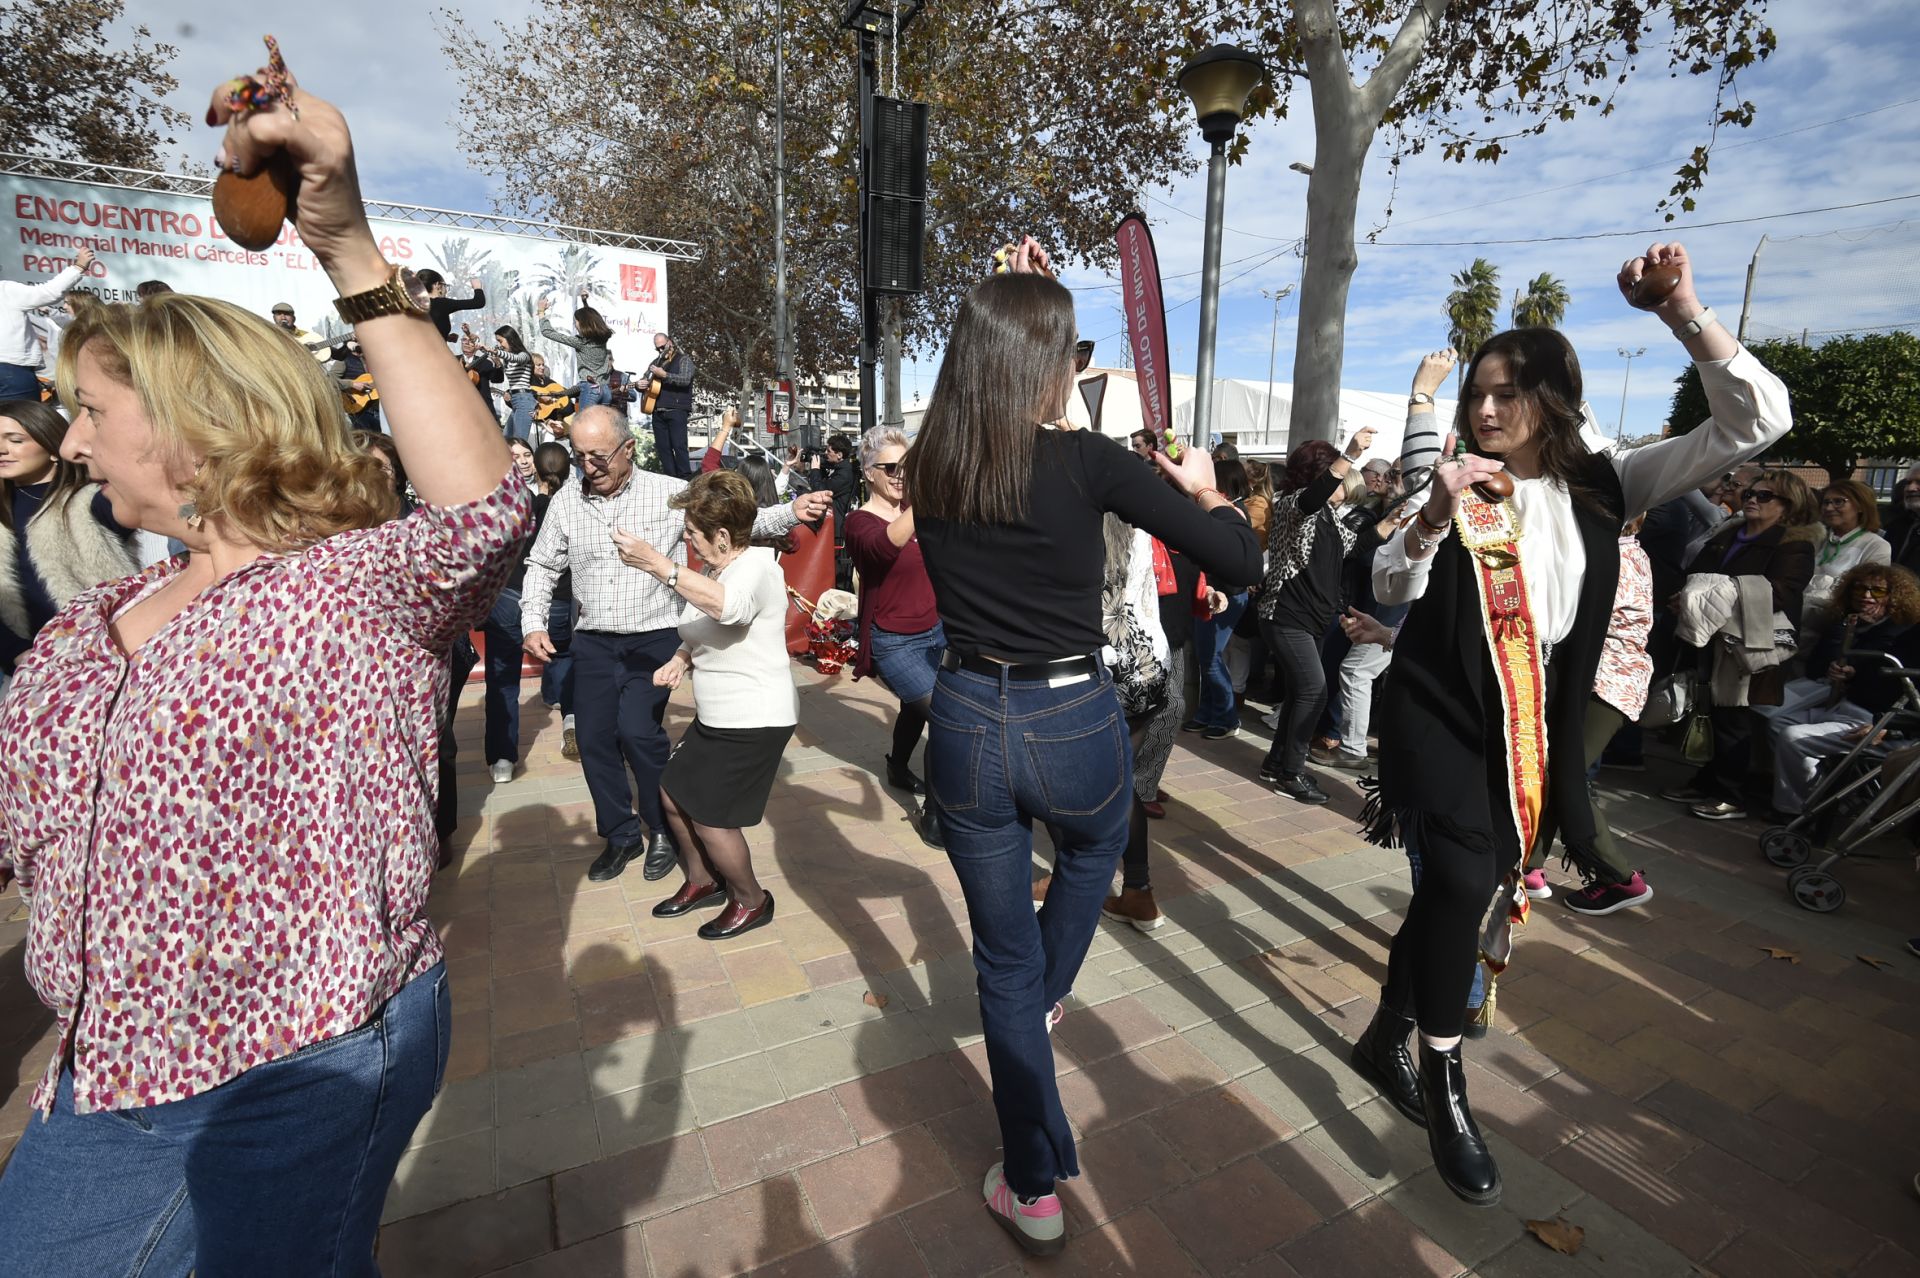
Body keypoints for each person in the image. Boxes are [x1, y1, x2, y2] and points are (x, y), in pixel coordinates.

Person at [0, 82, 531, 1271]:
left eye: (89, 411)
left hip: (290, 1061)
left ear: (199, 423)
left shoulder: (344, 591)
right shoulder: (92, 617)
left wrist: (340, 238)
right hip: (97, 1075)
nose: (69, 441)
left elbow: (485, 511)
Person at [1354, 243, 1790, 1210]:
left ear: (1555, 397)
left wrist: (1682, 307)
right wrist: (1429, 519)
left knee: (1449, 902)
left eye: (1508, 393)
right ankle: (1444, 1077)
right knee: (1463, 883)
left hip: (1533, 728)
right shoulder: (1460, 484)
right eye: (1477, 392)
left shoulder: (1608, 486)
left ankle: (1387, 1027)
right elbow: (1385, 589)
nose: (1486, 410)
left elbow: (1760, 418)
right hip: (1438, 719)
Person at [904, 240, 1259, 1256]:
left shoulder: (932, 460)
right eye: (1071, 350)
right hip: (1074, 718)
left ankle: (1033, 1181)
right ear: (1054, 366)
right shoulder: (1089, 462)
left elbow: (1004, 416)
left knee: (1001, 969)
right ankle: (1046, 1006)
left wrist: (1015, 301)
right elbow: (1240, 558)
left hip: (966, 712)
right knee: (1095, 855)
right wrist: (1206, 488)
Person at [519, 406, 828, 883]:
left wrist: (791, 511)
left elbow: (736, 520)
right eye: (580, 456)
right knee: (596, 740)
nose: (589, 467)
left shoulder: (665, 491)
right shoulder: (566, 503)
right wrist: (533, 622)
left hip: (654, 637)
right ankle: (620, 835)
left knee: (639, 734)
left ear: (628, 450)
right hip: (594, 641)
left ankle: (663, 828)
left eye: (599, 456)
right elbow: (541, 566)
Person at [604, 470, 798, 938]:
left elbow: (730, 610)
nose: (686, 541)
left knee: (711, 817)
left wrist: (657, 564)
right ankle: (703, 880)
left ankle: (752, 901)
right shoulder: (716, 569)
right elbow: (708, 627)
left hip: (753, 716)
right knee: (671, 793)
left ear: (723, 535)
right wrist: (681, 657)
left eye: (691, 533)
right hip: (718, 715)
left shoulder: (756, 567)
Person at [1662, 467, 1820, 820]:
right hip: (1708, 637)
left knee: (1734, 719)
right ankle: (1704, 782)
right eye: (1750, 493)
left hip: (1751, 643)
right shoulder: (1730, 532)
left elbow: (1779, 593)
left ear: (1788, 505)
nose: (1751, 500)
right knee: (1706, 710)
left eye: (1764, 496)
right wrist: (1685, 596)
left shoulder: (1794, 544)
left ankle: (1730, 795)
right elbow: (1696, 575)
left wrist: (1711, 593)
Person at [1529, 517, 1658, 916]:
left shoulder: (1613, 557)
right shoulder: (1617, 551)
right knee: (1556, 771)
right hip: (1602, 681)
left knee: (1565, 775)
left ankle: (1619, 878)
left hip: (1608, 685)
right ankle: (1528, 868)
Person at [1255, 427, 1377, 804]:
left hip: (1311, 619)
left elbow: (1356, 545)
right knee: (1313, 690)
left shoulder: (1327, 515)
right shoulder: (1294, 503)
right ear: (1318, 474)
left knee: (1299, 694)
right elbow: (1313, 496)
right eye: (1337, 474)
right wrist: (1352, 453)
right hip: (1285, 615)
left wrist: (1400, 520)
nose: (1347, 483)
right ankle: (1292, 773)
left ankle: (1276, 764)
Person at [844, 425, 945, 847]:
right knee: (945, 717)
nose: (901, 475)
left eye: (907, 466)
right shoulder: (857, 521)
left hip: (937, 631)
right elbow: (884, 548)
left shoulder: (918, 509)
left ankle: (897, 766)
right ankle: (936, 815)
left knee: (914, 706)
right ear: (868, 472)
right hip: (893, 641)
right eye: (891, 467)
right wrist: (922, 502)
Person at [1757, 563, 1920, 818]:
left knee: (1794, 738)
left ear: (1893, 596)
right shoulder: (1845, 620)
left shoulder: (1899, 631)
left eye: (1876, 591)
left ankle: (1797, 812)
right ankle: (1816, 795)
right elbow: (1818, 665)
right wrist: (1845, 633)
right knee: (1777, 723)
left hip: (1873, 718)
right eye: (1860, 589)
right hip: (1841, 705)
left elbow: (1886, 674)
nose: (1866, 596)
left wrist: (1890, 728)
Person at [0, 398, 139, 694]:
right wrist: (16, 652)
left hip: (105, 664)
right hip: (29, 676)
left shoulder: (93, 501)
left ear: (53, 448)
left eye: (15, 440)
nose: (2, 449)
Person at [479, 440, 544, 784]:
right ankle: (502, 751)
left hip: (546, 594)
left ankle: (571, 719)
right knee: (502, 678)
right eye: (512, 457)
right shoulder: (487, 503)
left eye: (525, 455)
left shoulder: (554, 495)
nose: (520, 462)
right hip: (505, 597)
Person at [1186, 458, 1251, 739]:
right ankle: (1207, 713)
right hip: (1216, 592)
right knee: (1207, 657)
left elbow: (1230, 559)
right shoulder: (1227, 509)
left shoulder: (1234, 512)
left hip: (1226, 594)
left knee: (1210, 657)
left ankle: (1226, 718)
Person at [531, 441, 579, 759]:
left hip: (541, 595)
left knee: (557, 654)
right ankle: (562, 704)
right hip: (568, 595)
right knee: (562, 652)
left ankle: (563, 708)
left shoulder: (532, 507)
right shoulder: (574, 503)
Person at [2, 250, 95, 400]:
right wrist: (78, 267)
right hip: (10, 369)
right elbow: (48, 292)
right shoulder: (5, 290)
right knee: (22, 420)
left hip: (11, 369)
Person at [1804, 480, 1891, 626]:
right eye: (1826, 502)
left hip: (1833, 624)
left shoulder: (1876, 545)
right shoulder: (1815, 538)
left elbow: (1867, 595)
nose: (1829, 508)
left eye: (1838, 502)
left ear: (1860, 506)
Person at [540, 295, 614, 411]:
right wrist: (584, 303)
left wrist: (541, 312)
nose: (575, 324)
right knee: (602, 426)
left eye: (576, 321)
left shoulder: (580, 342)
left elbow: (547, 332)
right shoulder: (602, 339)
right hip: (605, 390)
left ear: (582, 323)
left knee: (583, 426)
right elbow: (591, 320)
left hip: (591, 390)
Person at [644, 332, 695, 478]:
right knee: (663, 449)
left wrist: (665, 375)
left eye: (662, 347)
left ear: (670, 343)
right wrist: (640, 385)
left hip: (677, 409)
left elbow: (685, 379)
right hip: (657, 410)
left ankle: (685, 479)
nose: (660, 351)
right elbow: (645, 378)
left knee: (679, 446)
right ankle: (670, 479)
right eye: (658, 349)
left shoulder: (683, 360)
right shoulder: (655, 363)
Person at [416, 269, 486, 343]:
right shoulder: (442, 303)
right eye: (445, 286)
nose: (446, 290)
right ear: (437, 285)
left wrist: (446, 337)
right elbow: (478, 302)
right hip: (435, 353)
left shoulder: (416, 305)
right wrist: (477, 287)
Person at [494, 325, 536, 442]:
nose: (499, 345)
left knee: (519, 441)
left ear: (509, 338)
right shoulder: (507, 359)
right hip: (516, 400)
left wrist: (497, 352)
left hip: (524, 399)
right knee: (507, 440)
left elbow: (516, 359)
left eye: (500, 341)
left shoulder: (524, 355)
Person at [268, 300, 334, 360]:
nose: (283, 317)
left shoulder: (307, 336)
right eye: (279, 314)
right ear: (274, 318)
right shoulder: (268, 334)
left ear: (294, 318)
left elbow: (335, 354)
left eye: (287, 314)